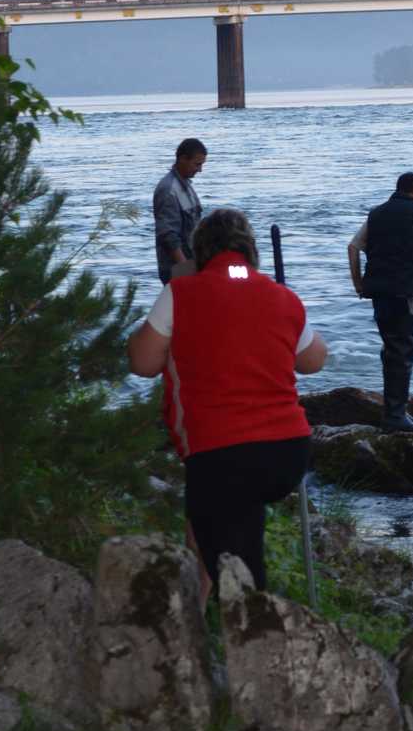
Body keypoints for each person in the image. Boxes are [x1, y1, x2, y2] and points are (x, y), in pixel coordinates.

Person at [127, 206, 328, 604]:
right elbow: (314, 360)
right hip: (288, 452)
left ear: (199, 252)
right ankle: (207, 623)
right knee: (216, 527)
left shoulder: (181, 294)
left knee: (239, 574)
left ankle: (256, 639)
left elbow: (143, 362)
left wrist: (177, 288)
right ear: (251, 251)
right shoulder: (281, 296)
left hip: (222, 455)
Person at [347, 171, 413, 433]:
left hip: (379, 293)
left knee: (391, 350)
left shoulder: (376, 213)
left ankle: (393, 413)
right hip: (405, 294)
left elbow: (353, 247)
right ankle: (395, 417)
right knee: (402, 353)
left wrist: (359, 284)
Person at [152, 137, 206, 284]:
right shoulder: (168, 190)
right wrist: (185, 269)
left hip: (190, 264)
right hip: (177, 269)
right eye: (197, 164)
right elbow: (168, 235)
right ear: (183, 159)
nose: (200, 170)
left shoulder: (186, 186)